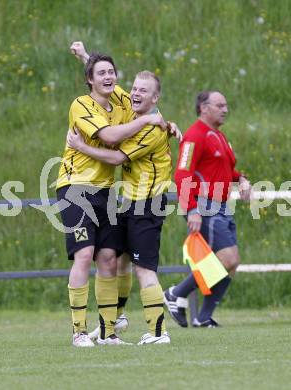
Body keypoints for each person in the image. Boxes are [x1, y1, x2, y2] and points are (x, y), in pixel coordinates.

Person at [56, 49, 168, 347]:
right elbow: (109, 138)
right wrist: (150, 122)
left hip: (105, 191)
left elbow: (141, 100)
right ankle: (79, 331)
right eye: (101, 73)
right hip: (75, 187)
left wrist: (166, 123)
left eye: (112, 72)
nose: (108, 77)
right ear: (89, 81)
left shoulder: (120, 102)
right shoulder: (81, 105)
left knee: (108, 258)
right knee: (84, 254)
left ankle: (108, 333)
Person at [164, 90, 252, 328]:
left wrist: (242, 179)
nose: (225, 109)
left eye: (226, 105)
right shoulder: (194, 136)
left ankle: (203, 317)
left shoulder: (219, 136)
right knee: (227, 258)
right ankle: (175, 293)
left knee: (231, 263)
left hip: (223, 206)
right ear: (204, 107)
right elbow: (182, 174)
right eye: (220, 105)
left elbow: (227, 171)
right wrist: (191, 209)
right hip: (205, 207)